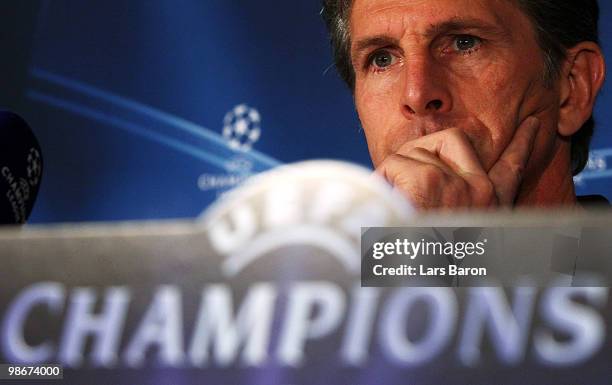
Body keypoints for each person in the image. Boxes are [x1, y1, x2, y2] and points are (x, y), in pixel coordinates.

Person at [321, 0, 606, 210]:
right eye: (382, 59)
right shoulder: (307, 286)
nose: (416, 94)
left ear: (572, 86)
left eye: (463, 43)